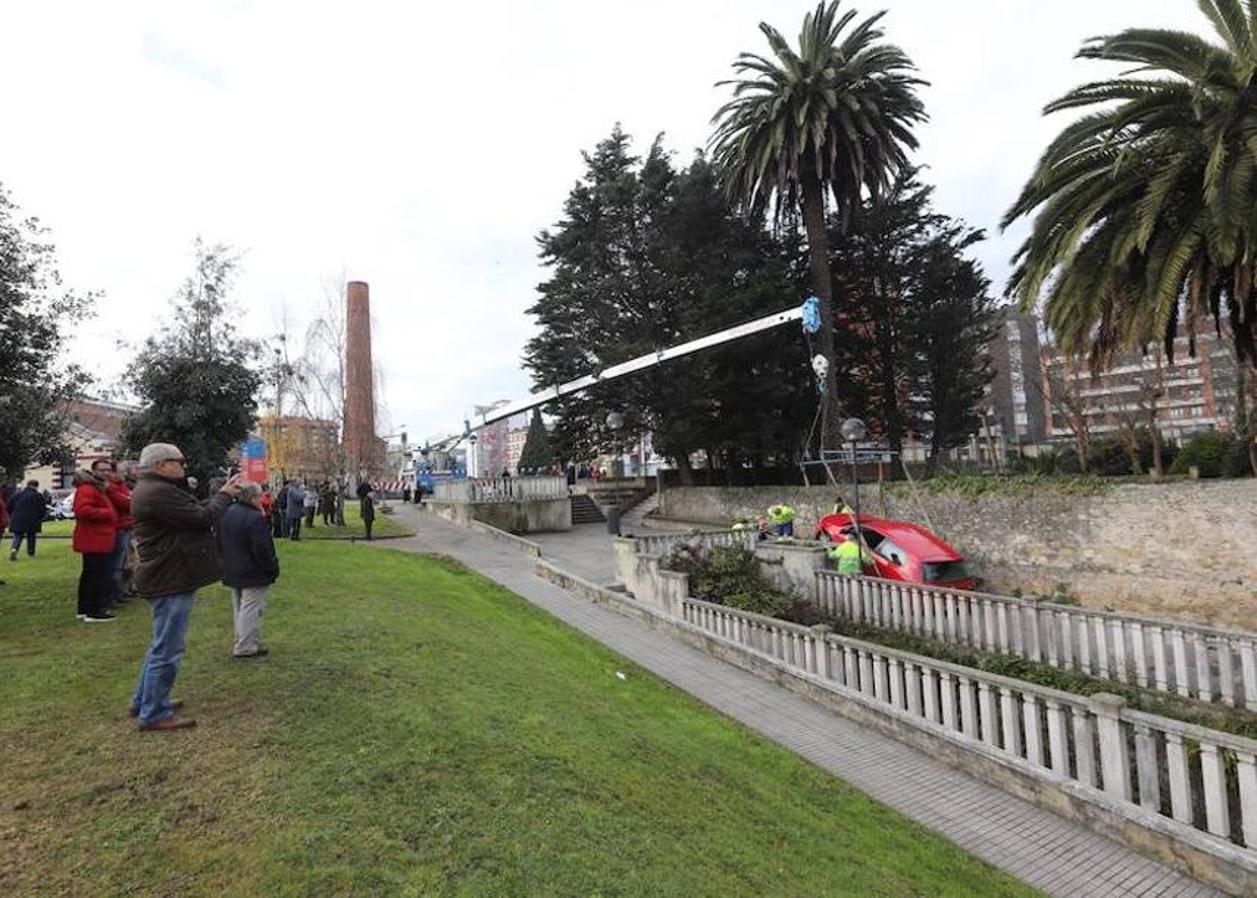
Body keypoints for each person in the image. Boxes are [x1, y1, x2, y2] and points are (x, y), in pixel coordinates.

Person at [130, 442, 242, 731]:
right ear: (160, 465)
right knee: (168, 648)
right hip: (169, 576)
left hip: (168, 573)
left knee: (160, 643)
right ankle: (153, 712)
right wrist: (225, 496)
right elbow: (202, 518)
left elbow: (193, 512)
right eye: (178, 461)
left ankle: (144, 699)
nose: (183, 465)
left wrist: (218, 496)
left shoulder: (156, 489)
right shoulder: (158, 493)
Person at [216, 482, 280, 659]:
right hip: (252, 570)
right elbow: (262, 548)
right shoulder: (254, 518)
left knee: (240, 608)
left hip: (232, 566)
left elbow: (219, 541)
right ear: (253, 498)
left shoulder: (227, 513)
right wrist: (271, 567)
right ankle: (245, 645)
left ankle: (243, 640)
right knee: (251, 608)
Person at [73, 460, 120, 622]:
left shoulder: (98, 488)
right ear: (94, 471)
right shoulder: (87, 489)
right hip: (94, 538)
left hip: (99, 537)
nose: (106, 473)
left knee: (91, 574)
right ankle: (94, 610)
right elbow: (82, 510)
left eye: (108, 470)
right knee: (96, 575)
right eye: (102, 470)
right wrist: (107, 513)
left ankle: (85, 609)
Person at [104, 460, 135, 608]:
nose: (125, 475)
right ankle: (113, 594)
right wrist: (130, 499)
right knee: (118, 563)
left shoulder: (121, 486)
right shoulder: (111, 488)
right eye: (122, 472)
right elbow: (127, 503)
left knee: (125, 562)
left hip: (127, 526)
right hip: (120, 528)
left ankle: (121, 591)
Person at [8, 479, 48, 560]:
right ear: (36, 486)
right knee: (31, 536)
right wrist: (41, 517)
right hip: (32, 519)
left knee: (17, 535)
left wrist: (12, 515)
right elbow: (42, 509)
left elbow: (9, 507)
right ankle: (31, 553)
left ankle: (14, 549)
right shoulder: (38, 496)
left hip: (17, 518)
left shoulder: (17, 495)